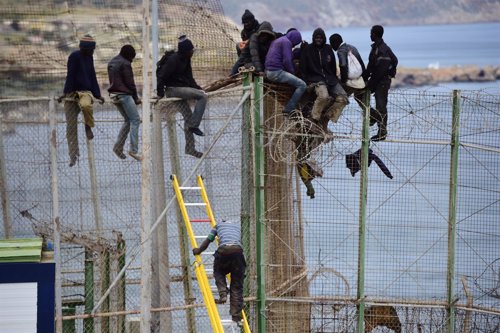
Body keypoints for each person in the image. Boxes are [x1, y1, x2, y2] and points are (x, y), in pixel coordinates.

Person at [157, 35, 208, 158]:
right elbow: (161, 76)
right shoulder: (174, 60)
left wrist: (198, 88)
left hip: (181, 89)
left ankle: (190, 148)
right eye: (191, 51)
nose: (192, 52)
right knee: (202, 97)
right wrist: (160, 94)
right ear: (185, 51)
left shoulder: (186, 59)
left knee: (188, 116)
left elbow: (189, 78)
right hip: (173, 90)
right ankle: (194, 125)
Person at [60, 34, 104, 167]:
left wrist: (97, 94)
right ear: (84, 48)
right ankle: (73, 155)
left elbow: (92, 76)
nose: (92, 51)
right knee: (71, 127)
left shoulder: (89, 58)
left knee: (86, 106)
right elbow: (70, 75)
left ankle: (88, 127)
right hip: (72, 93)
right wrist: (65, 93)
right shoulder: (74, 56)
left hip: (85, 92)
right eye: (90, 49)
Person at [192, 220, 246, 325]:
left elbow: (208, 241)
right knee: (237, 286)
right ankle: (236, 315)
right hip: (238, 253)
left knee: (218, 272)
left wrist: (198, 251)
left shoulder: (218, 226)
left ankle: (223, 293)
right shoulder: (237, 227)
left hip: (224, 251)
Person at [300, 28, 348, 124]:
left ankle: (327, 116)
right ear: (314, 38)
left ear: (324, 38)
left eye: (321, 38)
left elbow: (333, 65)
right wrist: (306, 82)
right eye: (317, 37)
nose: (319, 39)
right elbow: (303, 67)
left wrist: (334, 78)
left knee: (343, 98)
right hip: (316, 79)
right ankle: (314, 118)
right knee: (324, 96)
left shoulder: (328, 48)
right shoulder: (308, 49)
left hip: (330, 79)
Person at [107, 44, 142, 161]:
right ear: (129, 56)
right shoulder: (126, 64)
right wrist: (136, 98)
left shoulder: (112, 61)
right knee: (135, 120)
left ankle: (118, 147)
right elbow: (130, 83)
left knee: (128, 120)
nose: (132, 61)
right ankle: (134, 150)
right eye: (132, 58)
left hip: (114, 95)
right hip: (124, 95)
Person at [363, 25, 398, 141]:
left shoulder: (382, 49)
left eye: (371, 33)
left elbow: (380, 70)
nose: (370, 35)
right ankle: (373, 117)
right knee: (365, 98)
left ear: (375, 34)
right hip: (379, 80)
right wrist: (365, 76)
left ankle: (382, 132)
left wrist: (370, 82)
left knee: (381, 106)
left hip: (382, 82)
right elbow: (372, 65)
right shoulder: (379, 47)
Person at [265, 29, 307, 116]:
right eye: (295, 43)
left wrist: (300, 50)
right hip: (276, 72)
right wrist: (293, 73)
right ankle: (289, 109)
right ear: (294, 39)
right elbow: (287, 60)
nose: (294, 45)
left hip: (269, 71)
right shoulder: (286, 42)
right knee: (302, 85)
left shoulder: (280, 40)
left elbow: (289, 55)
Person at [329, 33, 367, 113]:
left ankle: (330, 115)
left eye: (331, 43)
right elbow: (361, 63)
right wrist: (363, 77)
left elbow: (343, 65)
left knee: (338, 96)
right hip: (359, 79)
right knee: (360, 99)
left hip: (350, 81)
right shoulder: (352, 47)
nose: (332, 47)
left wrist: (343, 80)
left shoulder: (340, 51)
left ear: (335, 43)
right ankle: (372, 115)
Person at [230, 9, 260, 76]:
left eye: (248, 22)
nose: (246, 24)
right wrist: (243, 44)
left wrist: (249, 41)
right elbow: (244, 44)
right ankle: (244, 63)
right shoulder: (244, 32)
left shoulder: (259, 28)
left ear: (252, 21)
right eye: (244, 23)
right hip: (247, 50)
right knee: (238, 45)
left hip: (258, 50)